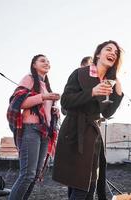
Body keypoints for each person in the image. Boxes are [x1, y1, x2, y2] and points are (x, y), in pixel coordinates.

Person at [52, 40, 124, 200]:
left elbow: (107, 112)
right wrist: (92, 92)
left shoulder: (108, 81)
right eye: (109, 49)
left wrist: (118, 95)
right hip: (73, 133)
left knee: (89, 185)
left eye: (116, 52)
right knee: (79, 186)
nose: (113, 53)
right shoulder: (80, 73)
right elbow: (65, 101)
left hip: (93, 136)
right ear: (98, 53)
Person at [7, 54, 60, 200]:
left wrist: (54, 110)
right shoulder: (29, 78)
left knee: (35, 175)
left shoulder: (46, 86)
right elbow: (18, 103)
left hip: (44, 132)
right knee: (27, 174)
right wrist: (44, 97)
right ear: (34, 65)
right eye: (42, 60)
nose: (47, 63)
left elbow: (45, 111)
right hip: (31, 128)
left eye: (48, 61)